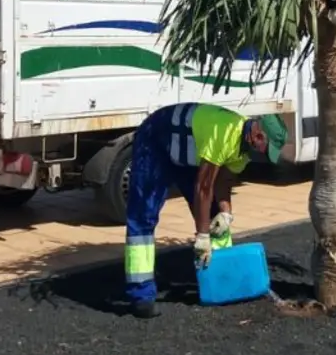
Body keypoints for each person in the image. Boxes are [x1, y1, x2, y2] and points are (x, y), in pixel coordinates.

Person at [123, 102, 287, 318]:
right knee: (144, 213)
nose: (263, 152)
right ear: (257, 133)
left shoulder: (245, 149)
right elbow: (204, 186)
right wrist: (202, 236)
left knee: (213, 217)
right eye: (264, 145)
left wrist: (226, 212)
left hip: (187, 153)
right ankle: (140, 294)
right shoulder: (225, 131)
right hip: (156, 140)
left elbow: (223, 180)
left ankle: (221, 281)